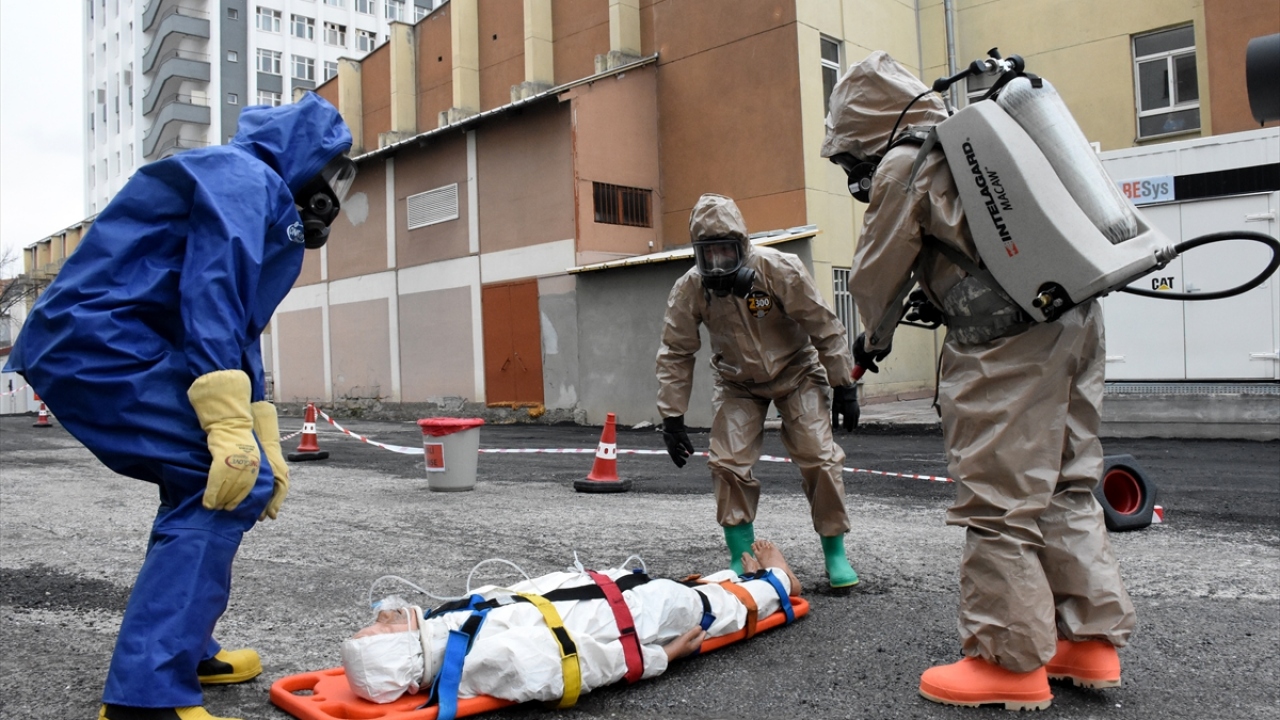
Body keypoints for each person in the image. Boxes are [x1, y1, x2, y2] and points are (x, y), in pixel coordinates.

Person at [4, 93, 355, 720]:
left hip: (108, 341)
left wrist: (260, 434)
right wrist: (227, 429)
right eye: (338, 170)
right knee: (216, 480)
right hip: (100, 343)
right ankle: (148, 694)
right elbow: (212, 291)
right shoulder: (247, 178)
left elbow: (239, 329)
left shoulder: (255, 190)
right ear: (313, 162)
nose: (339, 188)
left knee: (218, 478)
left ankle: (179, 650)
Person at [821, 52, 1136, 710]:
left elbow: (876, 274)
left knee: (998, 496)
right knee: (1065, 482)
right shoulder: (975, 144)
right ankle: (1089, 642)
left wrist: (868, 342)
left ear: (872, 132)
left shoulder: (908, 163)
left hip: (1006, 345)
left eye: (853, 159)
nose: (855, 174)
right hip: (1073, 315)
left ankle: (1007, 658)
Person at [654, 193, 861, 589]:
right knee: (727, 462)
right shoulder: (691, 288)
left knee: (819, 457)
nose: (717, 262)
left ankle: (835, 552)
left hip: (796, 371)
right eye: (707, 253)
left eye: (725, 252)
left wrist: (843, 384)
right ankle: (741, 555)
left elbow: (823, 323)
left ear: (743, 246)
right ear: (697, 253)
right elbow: (676, 351)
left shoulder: (778, 269)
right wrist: (672, 416)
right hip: (738, 382)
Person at [341, 540, 803, 706]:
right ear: (401, 654)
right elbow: (580, 664)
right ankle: (779, 581)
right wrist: (663, 656)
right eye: (380, 628)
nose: (383, 614)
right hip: (623, 624)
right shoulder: (480, 661)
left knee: (677, 589)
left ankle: (739, 578)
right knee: (701, 608)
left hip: (598, 595)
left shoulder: (444, 630)